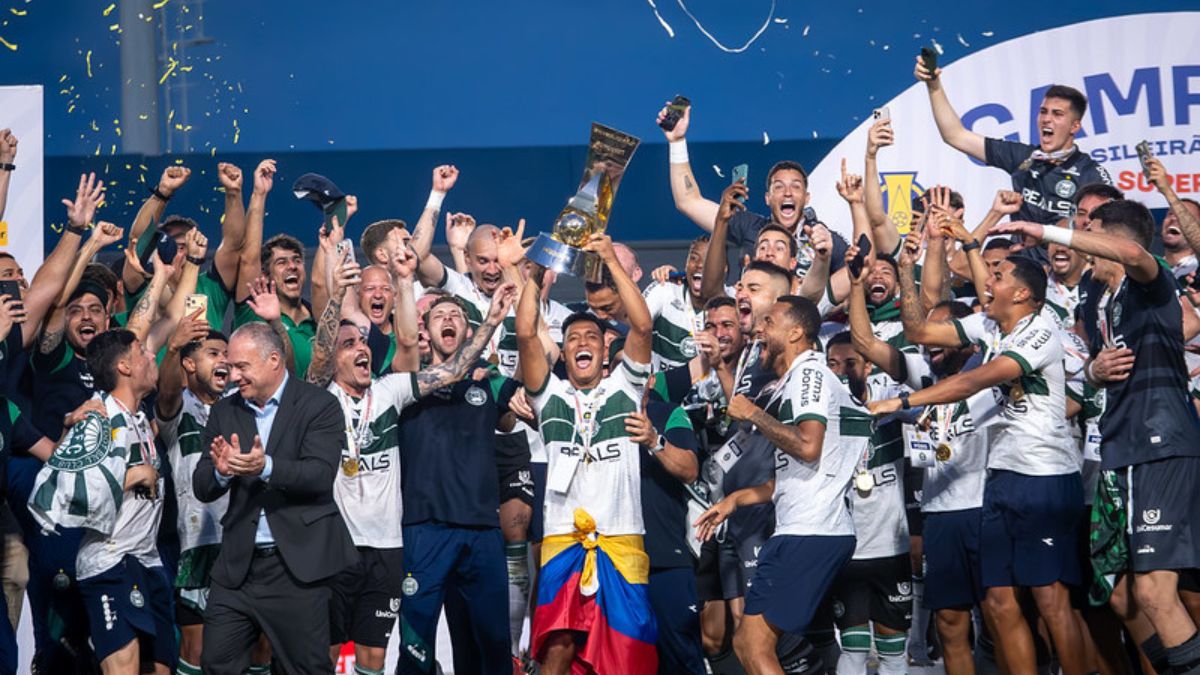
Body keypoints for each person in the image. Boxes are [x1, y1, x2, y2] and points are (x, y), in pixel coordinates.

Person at [997, 199, 1200, 675]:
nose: (1081, 239)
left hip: (1160, 443)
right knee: (1122, 591)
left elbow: (1132, 252)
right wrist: (1093, 369)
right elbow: (1092, 365)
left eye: (1090, 231)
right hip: (1119, 448)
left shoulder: (1149, 281)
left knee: (1156, 591)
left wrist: (1044, 230)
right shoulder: (1094, 292)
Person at [872, 252, 1087, 675]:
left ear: (1023, 293)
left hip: (1045, 475)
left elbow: (975, 380)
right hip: (1002, 478)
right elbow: (917, 330)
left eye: (999, 275)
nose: (988, 280)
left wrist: (903, 401)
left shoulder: (1041, 330)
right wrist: (904, 268)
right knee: (998, 601)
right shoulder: (988, 323)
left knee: (1049, 599)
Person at [693, 296, 869, 674]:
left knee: (753, 644)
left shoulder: (809, 374)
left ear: (795, 332)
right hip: (804, 528)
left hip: (811, 530)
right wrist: (738, 499)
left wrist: (753, 413)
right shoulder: (793, 381)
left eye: (769, 321)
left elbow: (808, 446)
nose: (758, 327)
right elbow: (799, 472)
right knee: (750, 642)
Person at [517, 232, 658, 675]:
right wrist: (534, 270)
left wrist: (608, 261)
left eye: (591, 338)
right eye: (573, 337)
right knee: (556, 647)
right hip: (562, 538)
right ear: (566, 351)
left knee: (624, 659)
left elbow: (643, 326)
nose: (582, 342)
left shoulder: (626, 387)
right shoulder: (550, 395)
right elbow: (524, 331)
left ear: (603, 351)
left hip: (620, 538)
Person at [193, 322, 358, 674]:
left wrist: (264, 466)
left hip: (297, 569)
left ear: (273, 360)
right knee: (215, 664)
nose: (232, 374)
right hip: (238, 568)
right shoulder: (225, 411)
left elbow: (318, 474)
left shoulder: (319, 405)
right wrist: (223, 470)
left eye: (241, 366)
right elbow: (203, 485)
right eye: (230, 365)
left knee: (305, 668)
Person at [32, 329, 175, 675]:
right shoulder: (97, 419)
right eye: (143, 351)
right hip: (110, 562)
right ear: (124, 366)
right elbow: (59, 491)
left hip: (147, 558)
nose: (151, 356)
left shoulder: (139, 420)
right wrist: (132, 476)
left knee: (160, 668)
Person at [658, 101, 847, 283]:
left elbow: (859, 278)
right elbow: (688, 202)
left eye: (796, 187)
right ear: (767, 198)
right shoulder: (750, 227)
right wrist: (677, 143)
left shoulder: (826, 240)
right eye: (779, 187)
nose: (787, 193)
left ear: (806, 199)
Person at [914, 58, 1111, 225]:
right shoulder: (1022, 157)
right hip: (1018, 266)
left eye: (1057, 114)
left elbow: (1107, 232)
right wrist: (934, 86)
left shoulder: (1091, 173)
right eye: (1043, 112)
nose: (1046, 119)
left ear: (1075, 127)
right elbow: (954, 135)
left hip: (1065, 266)